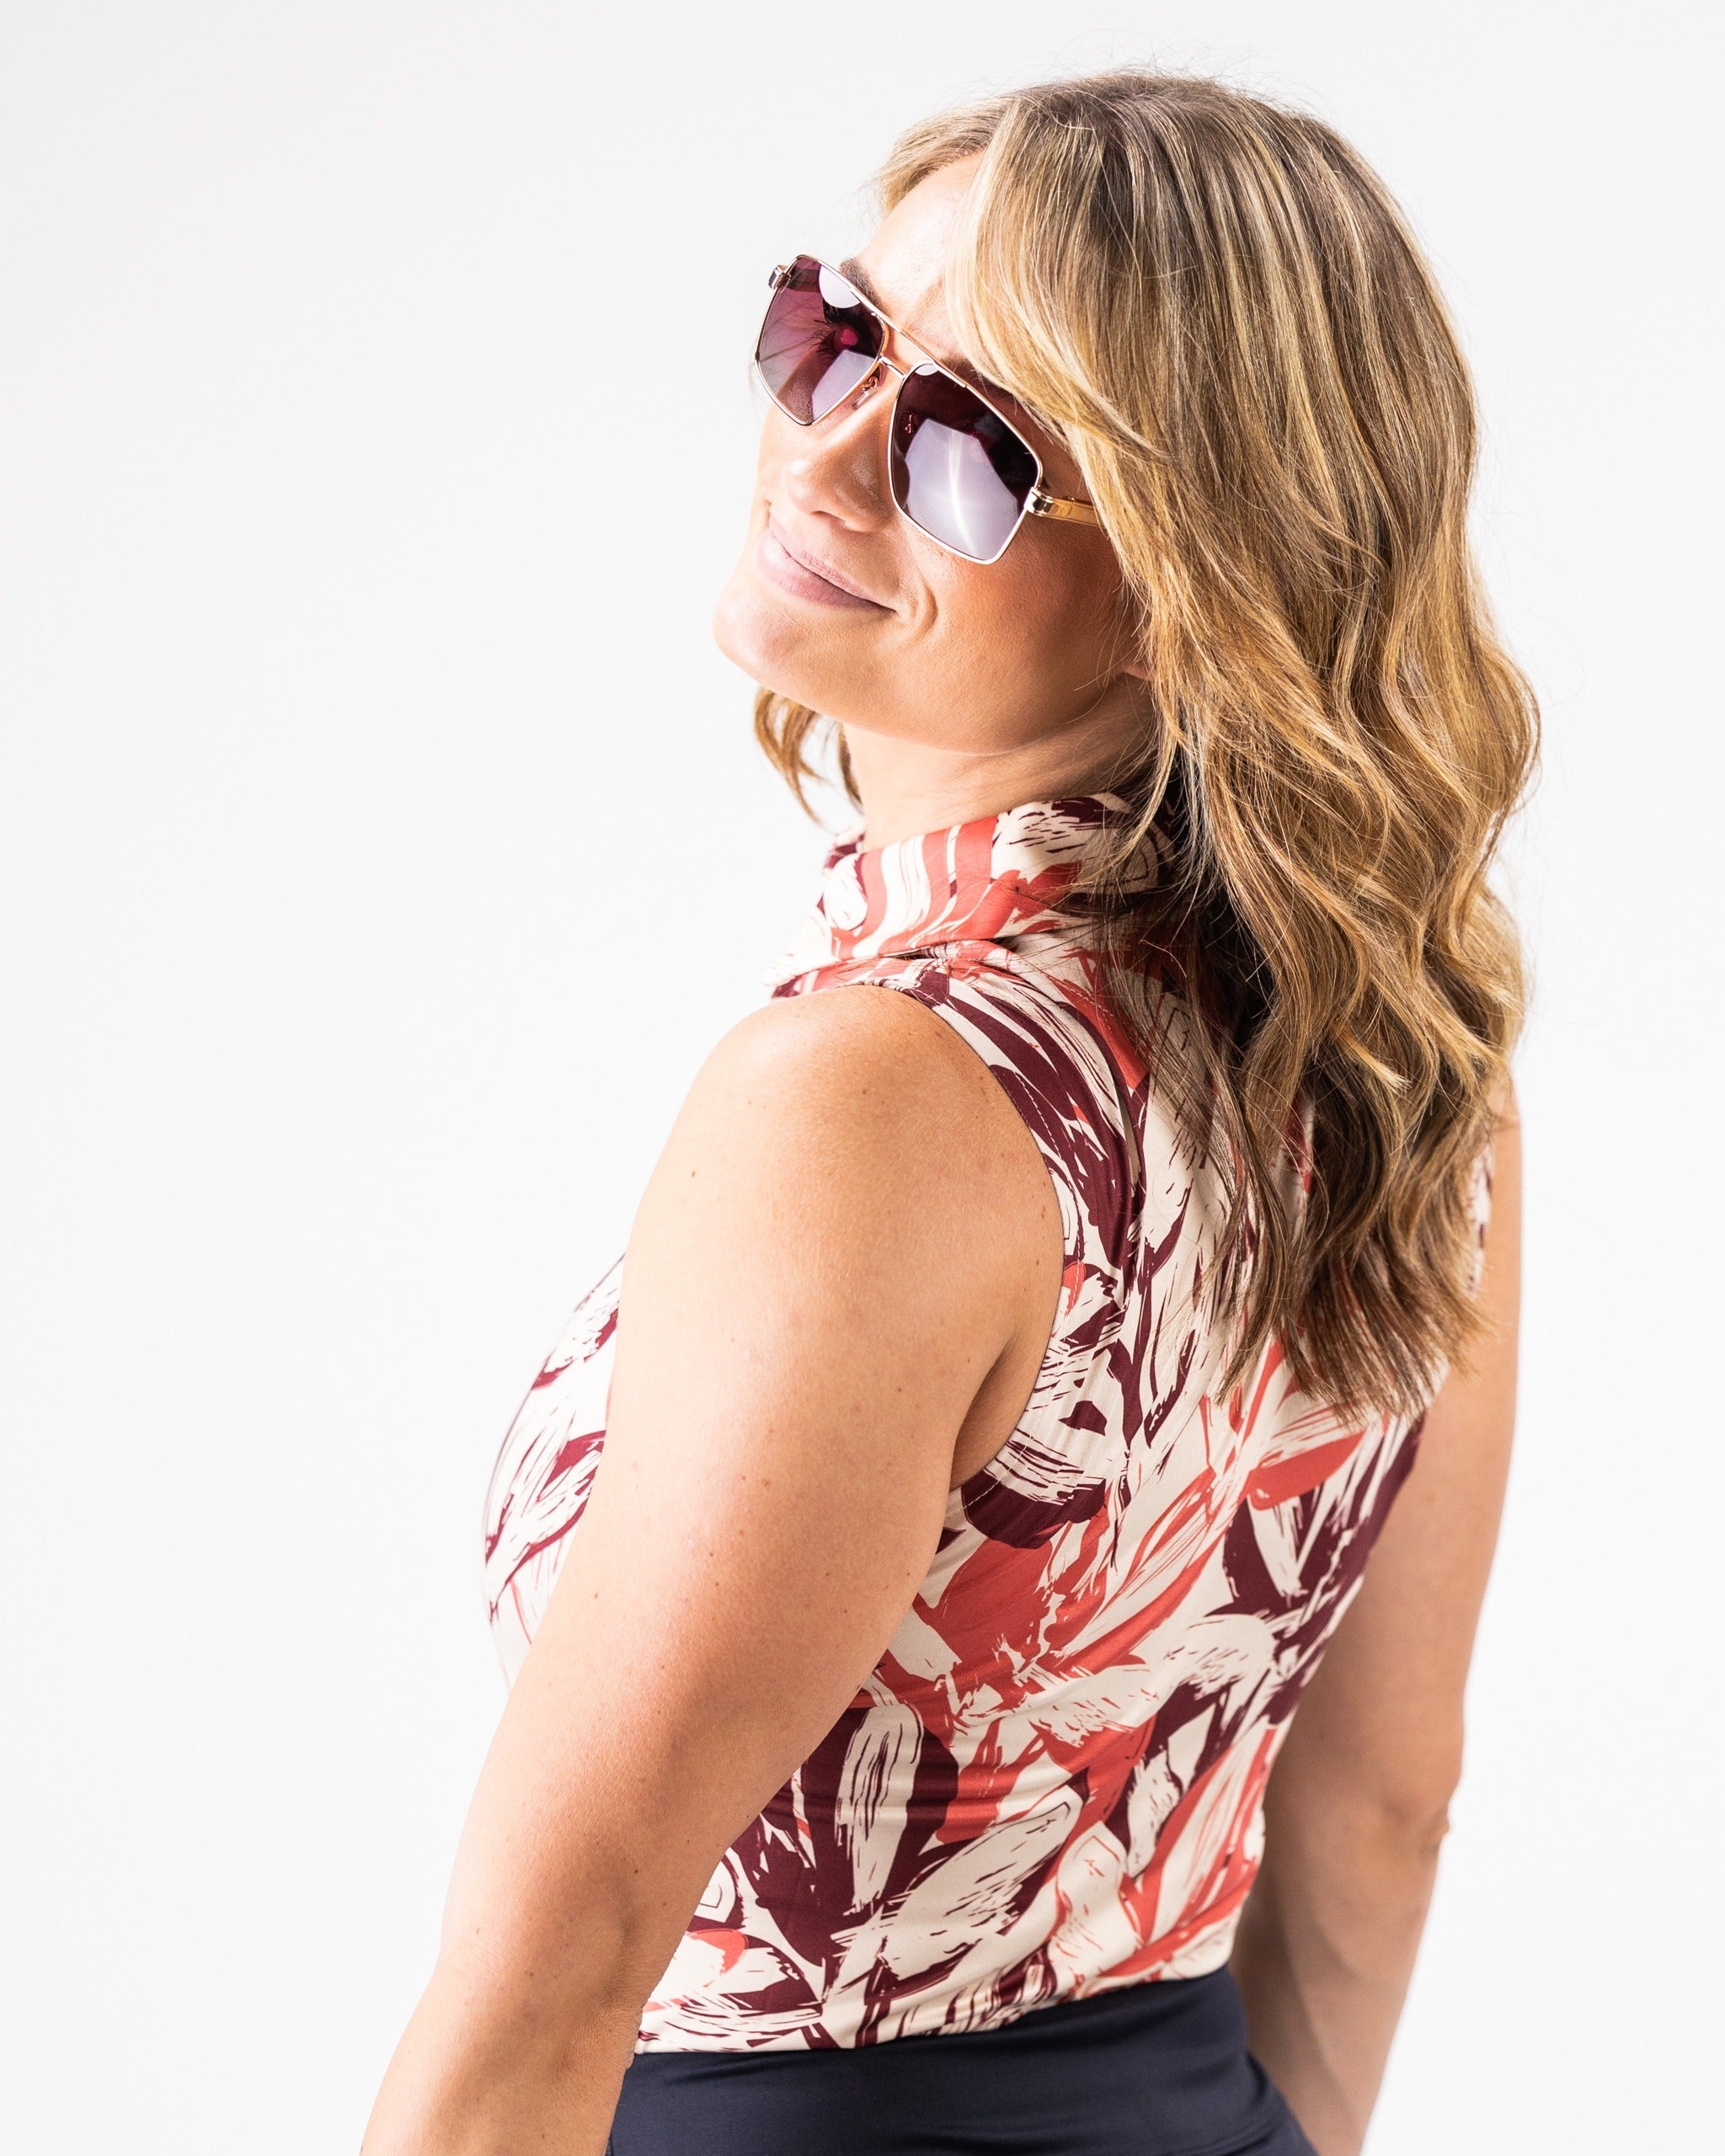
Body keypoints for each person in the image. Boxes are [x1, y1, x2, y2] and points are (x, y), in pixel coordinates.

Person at [362, 68, 1533, 2156]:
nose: (822, 450)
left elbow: (562, 1959)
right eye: (838, 328)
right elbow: (1379, 1810)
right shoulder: (1397, 1076)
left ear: (1199, 591)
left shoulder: (877, 1102)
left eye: (970, 446)